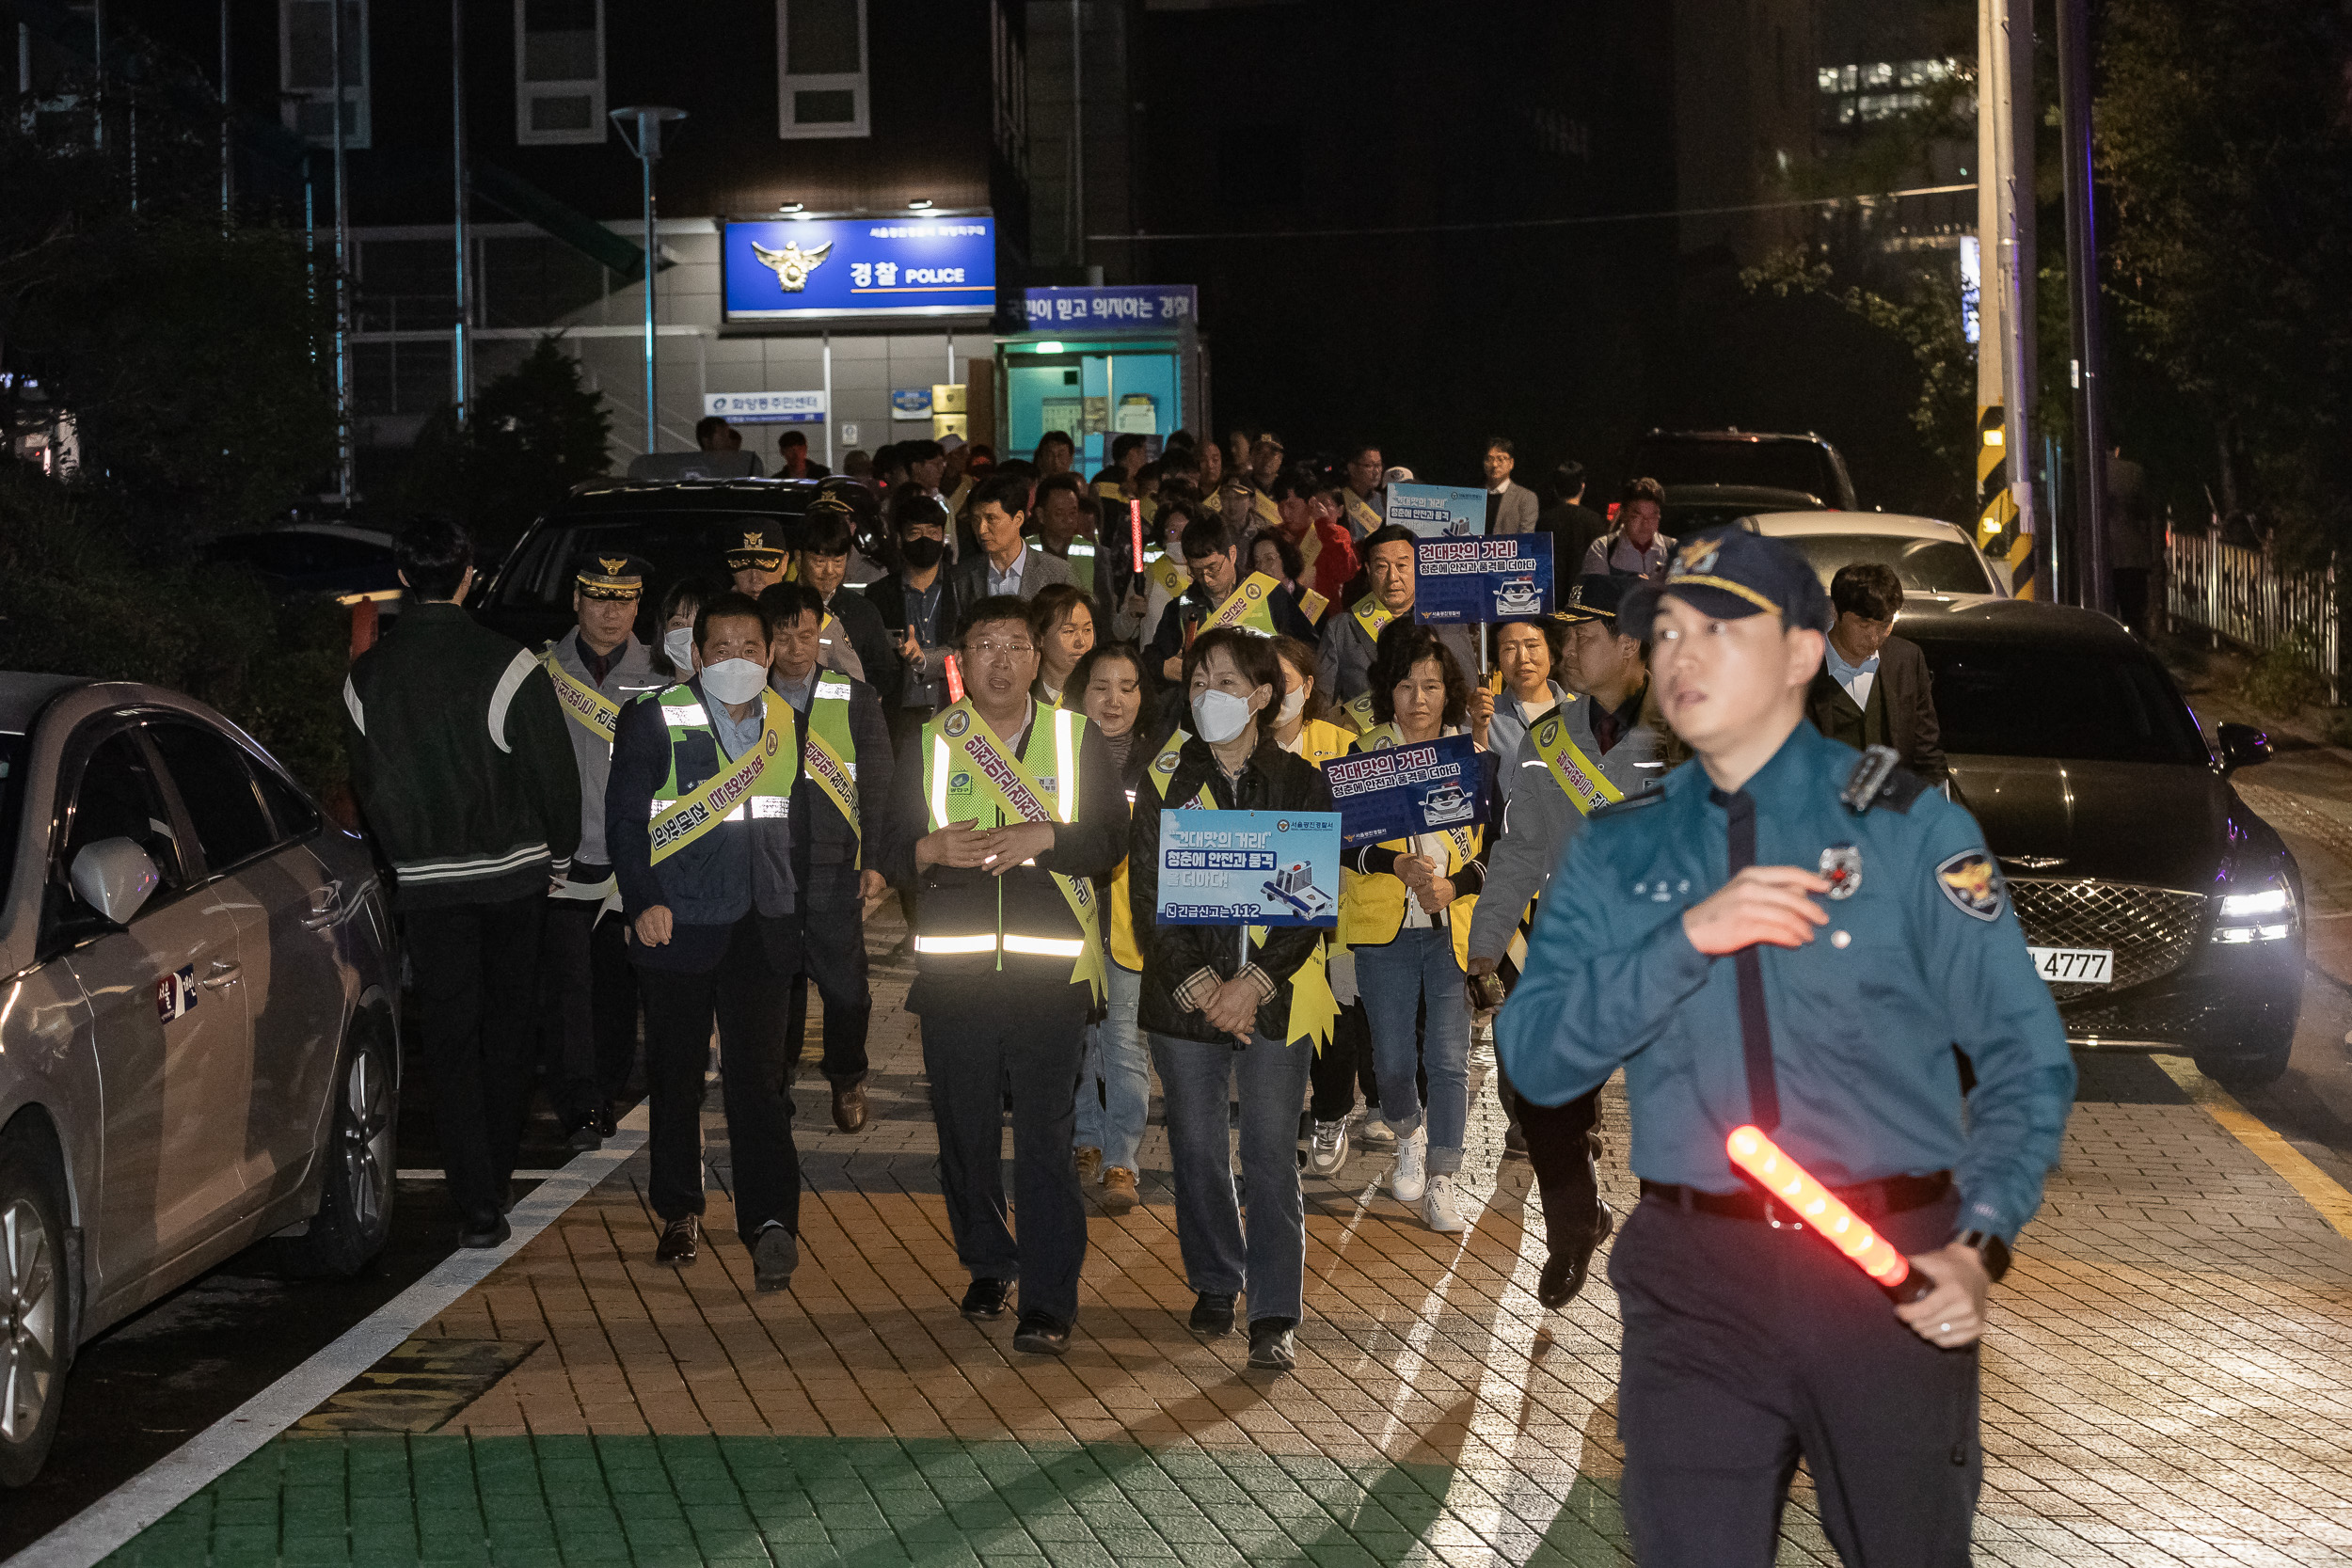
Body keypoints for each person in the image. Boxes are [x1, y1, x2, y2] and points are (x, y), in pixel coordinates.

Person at [1497, 525, 2074, 1567]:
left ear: (1805, 653)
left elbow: (2023, 1053)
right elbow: (1536, 1058)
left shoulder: (1909, 830)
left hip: (1885, 1268)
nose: (1681, 653)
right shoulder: (1621, 849)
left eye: (1720, 629)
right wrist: (1684, 940)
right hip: (1695, 1282)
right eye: (1665, 630)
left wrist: (1980, 1237)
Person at [881, 595, 1127, 1354]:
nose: (1001, 659)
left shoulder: (1073, 733)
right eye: (984, 645)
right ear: (961, 658)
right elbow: (885, 842)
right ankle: (989, 1259)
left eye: (1016, 644)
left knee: (1048, 1143)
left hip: (1050, 977)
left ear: (1038, 654)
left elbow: (1112, 838)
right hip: (955, 977)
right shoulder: (928, 739)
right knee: (966, 1132)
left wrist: (1043, 834)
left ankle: (1049, 1300)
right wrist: (926, 853)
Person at [342, 517, 581, 1249]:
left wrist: (401, 858)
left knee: (449, 1040)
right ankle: (496, 1174)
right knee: (508, 1033)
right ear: (470, 573)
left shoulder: (366, 678)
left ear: (405, 579)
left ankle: (475, 1200)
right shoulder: (509, 664)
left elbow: (365, 783)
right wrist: (562, 857)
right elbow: (553, 776)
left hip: (428, 883)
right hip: (512, 877)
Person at [1130, 628, 1337, 1373]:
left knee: (1272, 1153)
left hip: (1272, 999)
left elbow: (1312, 904)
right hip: (1185, 1001)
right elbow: (1149, 901)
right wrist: (1206, 990)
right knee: (1195, 1146)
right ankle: (1218, 1276)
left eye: (1222, 682)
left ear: (1259, 694)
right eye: (1196, 683)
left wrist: (1251, 984)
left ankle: (1274, 1308)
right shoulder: (1167, 782)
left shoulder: (1304, 783)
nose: (1205, 695)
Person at [1467, 575, 1663, 1306]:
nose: (1567, 649)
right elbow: (1519, 850)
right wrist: (1485, 943)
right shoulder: (1549, 738)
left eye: (1584, 637)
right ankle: (1575, 1221)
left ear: (1630, 643)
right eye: (1567, 635)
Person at [605, 592, 805, 1286]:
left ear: (772, 652)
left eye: (752, 647)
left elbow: (800, 824)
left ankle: (771, 1221)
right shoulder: (655, 719)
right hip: (680, 921)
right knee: (676, 1074)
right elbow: (626, 821)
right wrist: (643, 899)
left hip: (763, 924)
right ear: (696, 654)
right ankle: (680, 1208)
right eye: (722, 648)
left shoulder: (788, 722)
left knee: (760, 1080)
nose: (739, 660)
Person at [1340, 623, 1497, 1233]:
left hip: (1451, 929)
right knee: (1393, 1060)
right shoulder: (1367, 753)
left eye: (1431, 684)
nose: (1419, 697)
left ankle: (1442, 1178)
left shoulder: (1470, 756)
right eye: (1406, 684)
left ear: (1447, 690)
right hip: (1384, 928)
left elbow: (1496, 851)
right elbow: (1346, 848)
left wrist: (1454, 885)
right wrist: (1394, 863)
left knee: (1450, 1057)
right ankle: (1407, 1134)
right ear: (1389, 690)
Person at [537, 554, 666, 1150]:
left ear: (639, 606)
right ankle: (580, 1101)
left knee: (617, 988)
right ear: (576, 601)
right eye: (597, 598)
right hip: (562, 860)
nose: (610, 611)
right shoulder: (539, 672)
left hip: (632, 861)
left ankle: (608, 1086)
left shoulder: (664, 677)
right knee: (566, 985)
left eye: (623, 600)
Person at [760, 582, 894, 1135]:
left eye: (806, 633)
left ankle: (847, 1075)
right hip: (767, 866)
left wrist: (878, 860)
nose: (796, 646)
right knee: (775, 987)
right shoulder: (745, 699)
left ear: (823, 634)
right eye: (783, 634)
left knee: (845, 987)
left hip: (833, 865)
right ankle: (775, 1084)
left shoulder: (853, 697)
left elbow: (880, 784)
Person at [1272, 638, 1384, 1180]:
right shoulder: (1237, 745)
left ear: (1308, 686)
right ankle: (1278, 1126)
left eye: (1285, 681)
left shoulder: (1343, 746)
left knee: (1335, 1025)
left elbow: (1364, 830)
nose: (1273, 694)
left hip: (1332, 914)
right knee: (1275, 1025)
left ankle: (1332, 1114)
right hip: (1264, 913)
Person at [1072, 641, 1157, 1216]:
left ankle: (1122, 1158)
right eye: (1101, 687)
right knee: (1077, 1044)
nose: (1114, 700)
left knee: (1123, 1045)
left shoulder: (1159, 762)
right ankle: (1085, 1141)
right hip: (1071, 922)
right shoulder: (1060, 753)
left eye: (1127, 688)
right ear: (1082, 694)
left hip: (1129, 929)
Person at [1315, 525, 1479, 726]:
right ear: (1368, 570)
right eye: (1382, 567)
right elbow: (1319, 707)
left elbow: (1468, 694)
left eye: (1402, 566)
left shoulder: (1446, 621)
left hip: (1435, 746)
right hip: (1373, 747)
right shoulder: (1342, 629)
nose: (1392, 577)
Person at [1805, 562, 1946, 783]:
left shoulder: (1906, 660)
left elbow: (1927, 754)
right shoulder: (1803, 666)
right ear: (1835, 611)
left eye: (1885, 625)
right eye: (1864, 624)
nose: (1874, 638)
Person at [1146, 509, 1318, 680]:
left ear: (1232, 554)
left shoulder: (1266, 592)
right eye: (1196, 571)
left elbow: (1309, 647)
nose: (1206, 579)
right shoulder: (1181, 607)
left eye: (1213, 568)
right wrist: (1164, 668)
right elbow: (1151, 659)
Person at [869, 490, 961, 757]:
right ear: (900, 539)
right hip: (899, 717)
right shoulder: (879, 594)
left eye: (933, 532)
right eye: (915, 533)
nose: (925, 540)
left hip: (953, 712)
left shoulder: (961, 588)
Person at [795, 502, 899, 693]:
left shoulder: (862, 612)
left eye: (838, 561)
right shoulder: (777, 606)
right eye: (819, 561)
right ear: (799, 558)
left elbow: (885, 673)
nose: (829, 571)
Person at [950, 472, 1076, 604]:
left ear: (1018, 519)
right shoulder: (960, 578)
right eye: (976, 520)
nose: (981, 530)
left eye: (991, 519)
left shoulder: (1058, 574)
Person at [1479, 616, 1571, 792]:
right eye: (1509, 648)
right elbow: (1477, 784)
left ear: (1552, 654)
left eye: (1532, 646)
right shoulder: (1485, 714)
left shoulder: (1580, 711)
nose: (1522, 658)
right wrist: (1479, 729)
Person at [1270, 465, 1359, 612]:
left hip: (1324, 623)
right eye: (1280, 506)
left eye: (1292, 506)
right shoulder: (1273, 535)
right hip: (1283, 618)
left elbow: (1346, 572)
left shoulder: (1333, 533)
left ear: (1311, 502)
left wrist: (1325, 527)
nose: (1285, 513)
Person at [1581, 477, 1675, 579]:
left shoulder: (1673, 549)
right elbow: (1595, 590)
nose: (1645, 524)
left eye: (1652, 516)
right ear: (1623, 514)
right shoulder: (1603, 548)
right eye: (1637, 516)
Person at [1028, 582, 1095, 706]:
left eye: (1087, 630)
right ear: (1039, 638)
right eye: (1069, 631)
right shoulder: (1024, 699)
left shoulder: (1099, 698)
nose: (1081, 642)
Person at [1536, 461, 1609, 568]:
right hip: (1586, 583)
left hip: (1553, 584)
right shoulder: (1594, 520)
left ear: (1556, 489)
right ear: (1582, 487)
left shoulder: (1544, 521)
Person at [1483, 436, 1538, 535]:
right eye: (1490, 459)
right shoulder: (1472, 496)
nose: (1494, 464)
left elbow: (1526, 539)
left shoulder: (1526, 498)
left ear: (1511, 463)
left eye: (1500, 459)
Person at [726, 519, 790, 597]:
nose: (754, 579)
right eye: (742, 565)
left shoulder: (803, 608)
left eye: (765, 563)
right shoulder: (716, 607)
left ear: (784, 563)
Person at [1338, 442, 1386, 540]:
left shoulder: (1384, 500)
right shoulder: (1338, 500)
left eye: (1379, 465)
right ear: (1352, 468)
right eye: (1369, 466)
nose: (1376, 471)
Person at [1250, 530, 1304, 598]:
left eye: (1269, 559)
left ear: (1286, 559)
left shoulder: (1309, 602)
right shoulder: (1251, 600)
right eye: (1257, 561)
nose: (1262, 567)